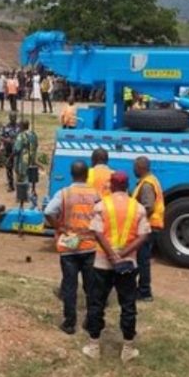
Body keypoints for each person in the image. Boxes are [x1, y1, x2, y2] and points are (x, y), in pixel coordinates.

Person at [83, 171, 151, 362]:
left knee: (97, 303)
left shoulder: (101, 206)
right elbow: (144, 235)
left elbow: (97, 233)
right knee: (128, 305)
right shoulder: (137, 208)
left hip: (103, 262)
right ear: (127, 185)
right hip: (128, 264)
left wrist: (112, 255)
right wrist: (122, 254)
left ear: (111, 186)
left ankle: (94, 346)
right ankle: (127, 349)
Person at [45, 160, 100, 335]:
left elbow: (48, 211)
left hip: (69, 243)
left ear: (71, 174)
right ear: (87, 175)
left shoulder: (64, 193)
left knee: (69, 285)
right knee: (91, 287)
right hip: (89, 245)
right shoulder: (96, 195)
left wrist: (58, 226)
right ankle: (91, 322)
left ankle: (69, 323)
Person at [132, 156, 164, 302]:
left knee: (142, 260)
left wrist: (136, 219)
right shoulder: (151, 180)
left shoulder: (146, 185)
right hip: (150, 226)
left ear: (140, 168)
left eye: (135, 167)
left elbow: (148, 206)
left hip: (148, 226)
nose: (133, 169)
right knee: (141, 259)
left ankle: (144, 292)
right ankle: (141, 289)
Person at [13, 120, 38, 199]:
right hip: (32, 158)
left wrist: (12, 156)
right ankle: (33, 191)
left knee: (23, 176)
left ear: (22, 127)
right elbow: (36, 145)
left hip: (23, 160)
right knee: (32, 174)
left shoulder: (21, 136)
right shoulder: (33, 134)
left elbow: (17, 149)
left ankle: (23, 195)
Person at [0, 112, 20, 191]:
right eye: (12, 117)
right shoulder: (5, 127)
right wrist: (7, 140)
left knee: (19, 168)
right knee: (9, 167)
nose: (13, 119)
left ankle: (20, 185)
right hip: (8, 149)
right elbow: (0, 136)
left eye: (14, 117)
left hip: (18, 150)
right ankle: (10, 185)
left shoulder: (19, 127)